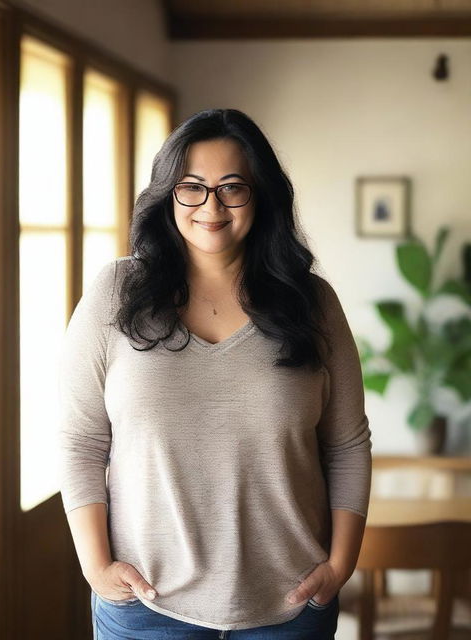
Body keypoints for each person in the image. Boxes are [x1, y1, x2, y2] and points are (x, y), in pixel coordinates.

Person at [57, 108, 372, 639]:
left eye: (232, 187)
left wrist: (340, 564)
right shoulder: (116, 293)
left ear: (261, 195)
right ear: (168, 194)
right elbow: (81, 440)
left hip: (291, 607)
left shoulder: (311, 303)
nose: (212, 205)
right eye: (192, 187)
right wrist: (95, 566)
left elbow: (346, 444)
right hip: (146, 608)